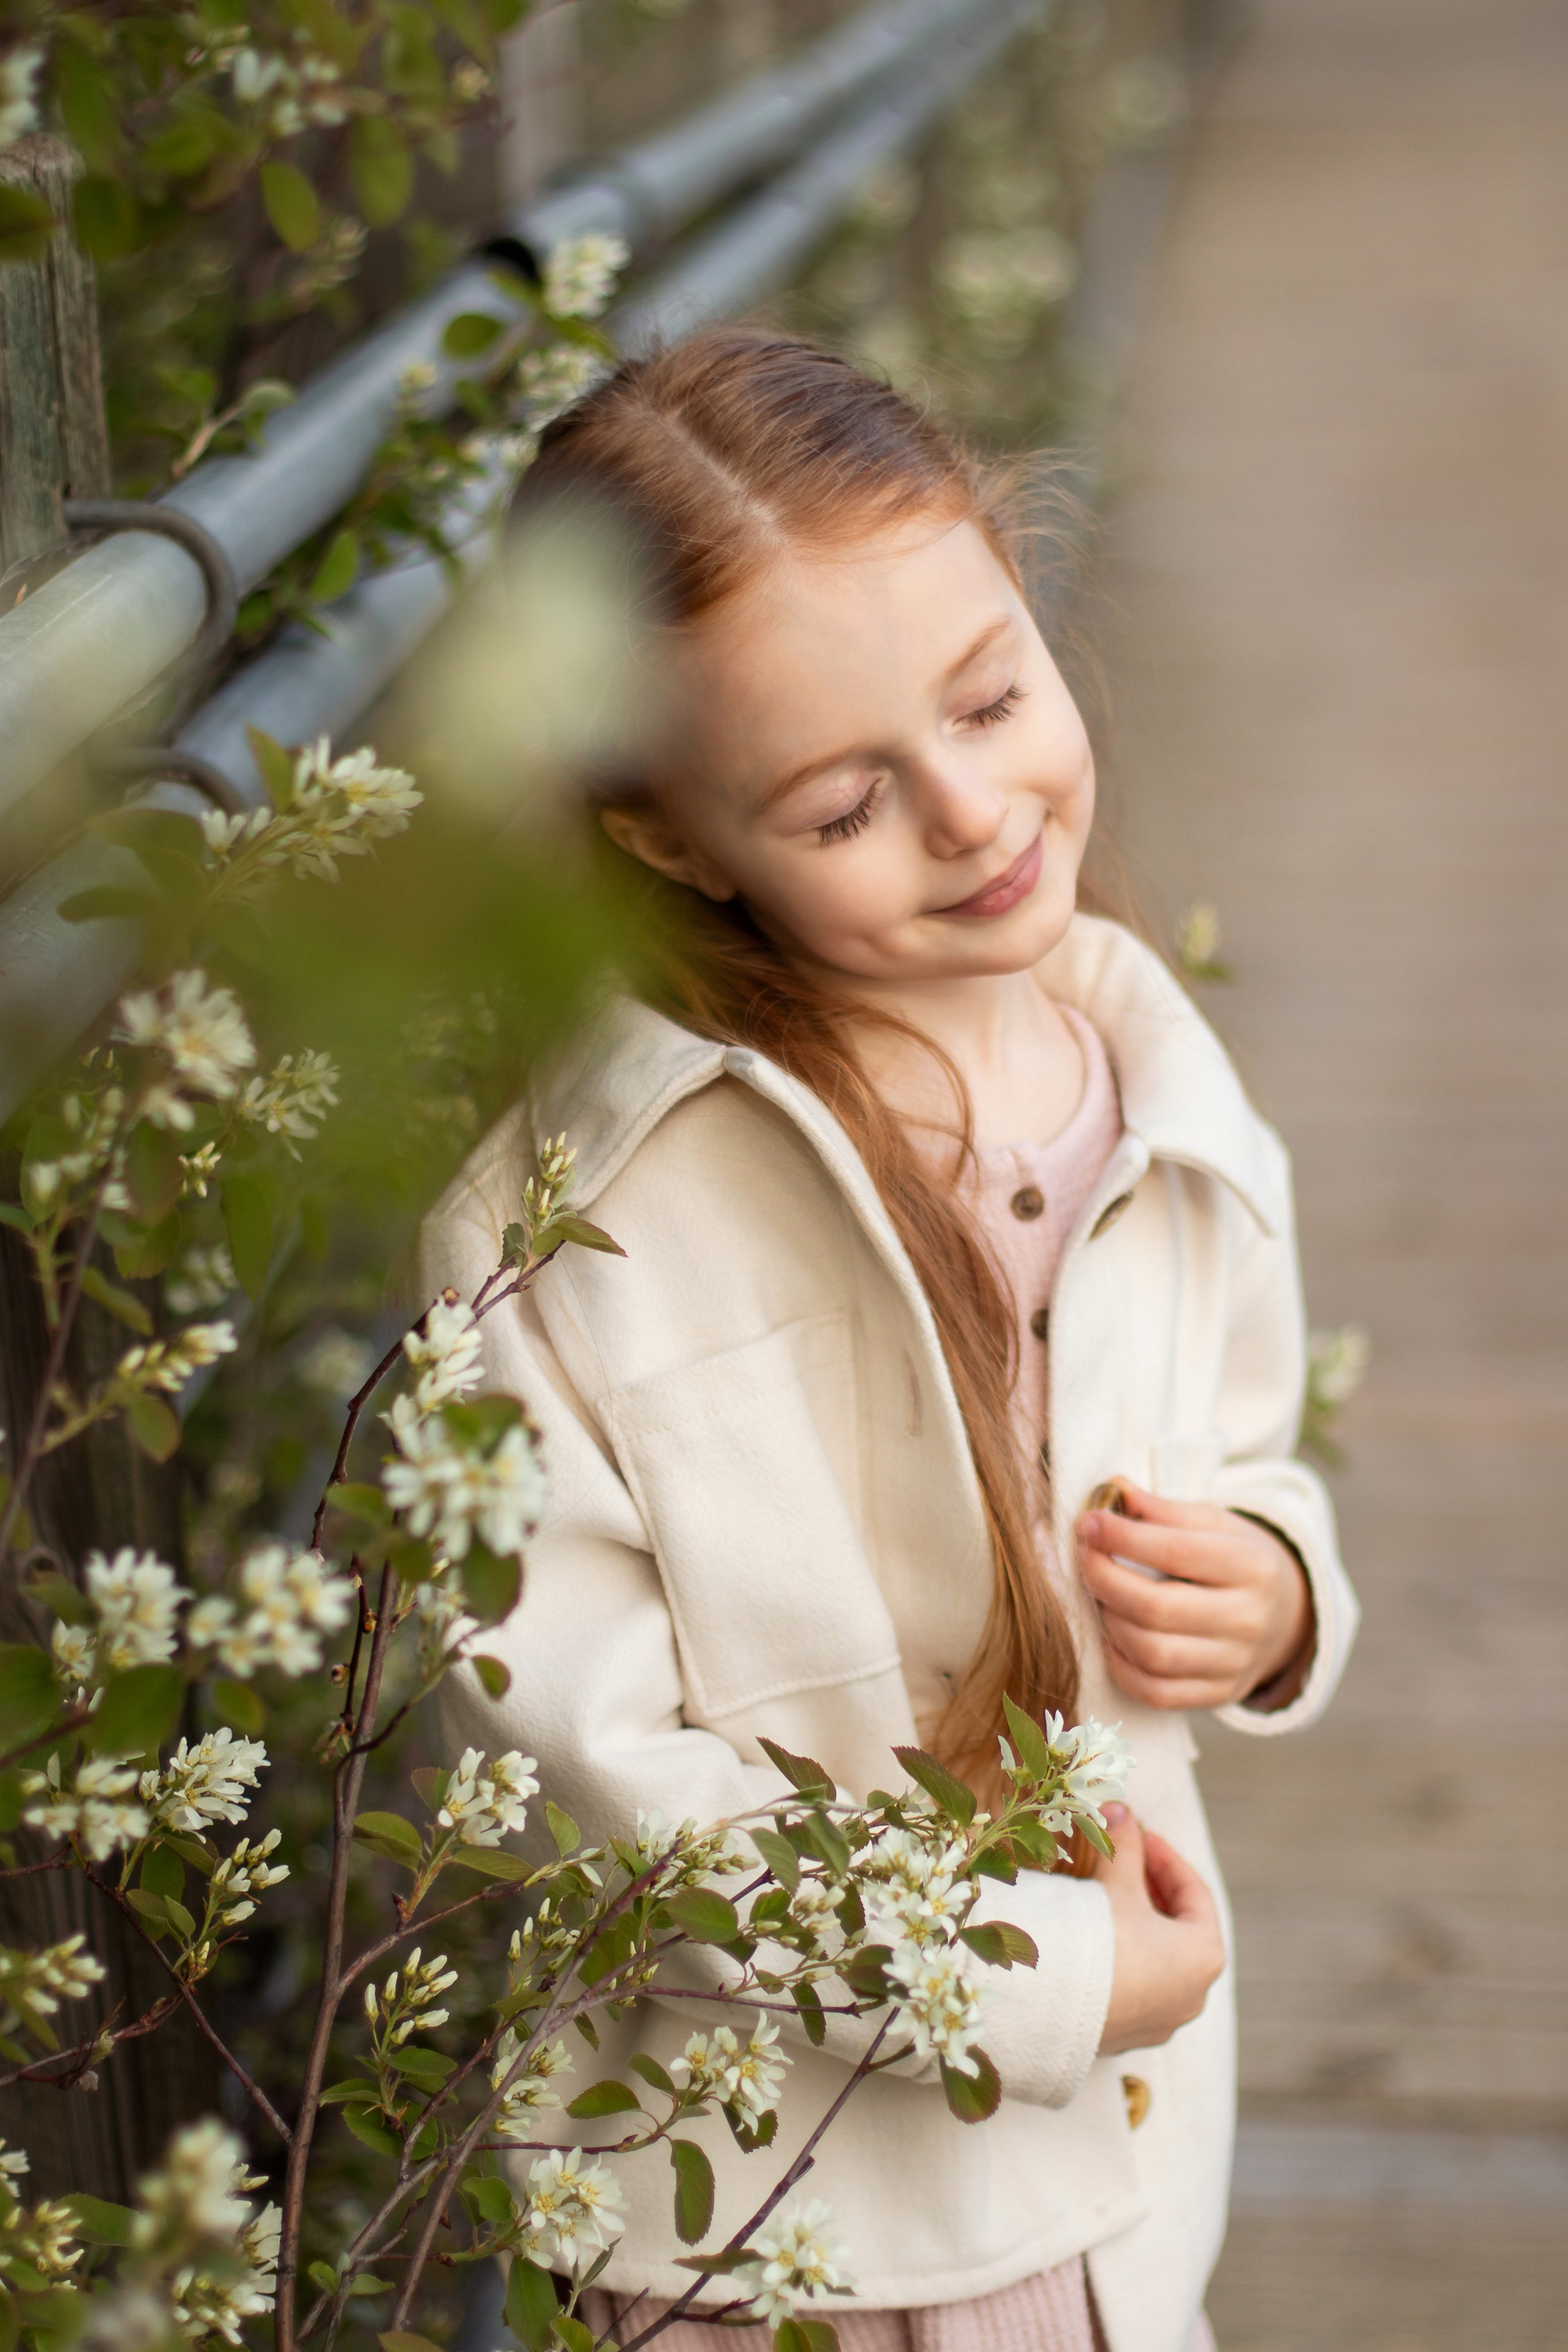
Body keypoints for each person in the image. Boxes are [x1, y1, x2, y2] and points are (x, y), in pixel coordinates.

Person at [420, 330, 1359, 2352]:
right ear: (670, 837)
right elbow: (585, 1753)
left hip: (1127, 2167)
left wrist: (1275, 1589)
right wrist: (1025, 1972)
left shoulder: (1162, 1085)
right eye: (846, 803)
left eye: (994, 697)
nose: (973, 812)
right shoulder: (574, 1223)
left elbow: (1252, 1442)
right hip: (778, 2215)